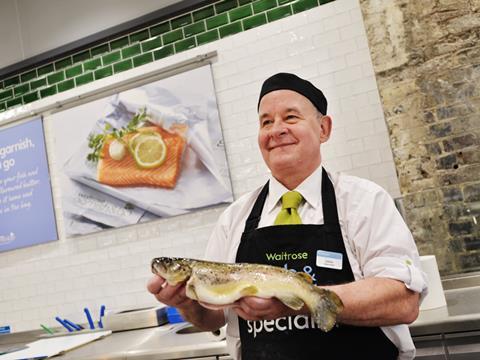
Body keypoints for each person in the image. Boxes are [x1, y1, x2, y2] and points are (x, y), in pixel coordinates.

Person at [147, 73, 427, 360]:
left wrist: (299, 301)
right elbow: (213, 318)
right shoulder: (235, 218)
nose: (276, 130)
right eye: (266, 122)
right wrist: (186, 303)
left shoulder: (365, 201)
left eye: (291, 118)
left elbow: (403, 301)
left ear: (323, 128)